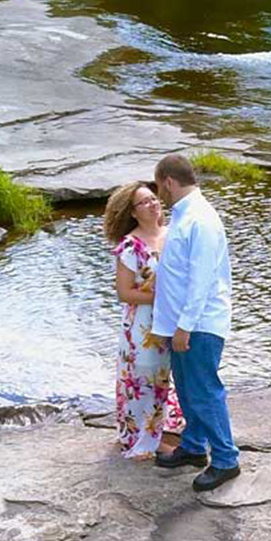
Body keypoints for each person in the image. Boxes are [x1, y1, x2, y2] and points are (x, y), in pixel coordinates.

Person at [149, 152, 239, 492]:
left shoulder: (200, 219)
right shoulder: (184, 216)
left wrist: (184, 327)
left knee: (204, 391)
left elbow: (201, 280)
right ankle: (193, 446)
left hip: (199, 323)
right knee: (187, 388)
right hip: (180, 324)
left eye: (159, 187)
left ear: (169, 182)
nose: (160, 194)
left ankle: (226, 460)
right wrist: (167, 328)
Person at [102, 180, 185, 460]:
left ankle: (167, 426)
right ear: (133, 212)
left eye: (154, 198)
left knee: (170, 374)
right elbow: (124, 293)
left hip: (175, 319)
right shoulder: (131, 246)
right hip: (143, 326)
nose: (153, 204)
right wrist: (162, 296)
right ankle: (146, 438)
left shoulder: (174, 233)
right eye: (144, 202)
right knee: (145, 375)